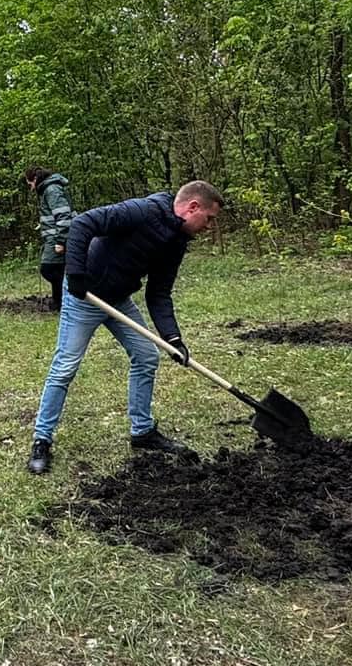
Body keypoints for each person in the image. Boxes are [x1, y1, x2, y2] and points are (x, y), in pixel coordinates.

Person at [27, 181, 224, 476]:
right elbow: (82, 224)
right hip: (84, 297)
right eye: (209, 218)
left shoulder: (177, 241)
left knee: (146, 356)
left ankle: (142, 432)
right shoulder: (142, 211)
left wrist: (173, 337)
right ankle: (42, 440)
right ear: (193, 207)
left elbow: (159, 292)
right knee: (65, 367)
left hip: (117, 300)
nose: (210, 226)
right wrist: (76, 274)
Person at [24, 167, 75, 311]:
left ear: (35, 179)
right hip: (55, 237)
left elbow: (63, 215)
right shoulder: (49, 189)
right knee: (57, 270)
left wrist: (60, 241)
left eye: (30, 184)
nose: (32, 189)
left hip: (58, 237)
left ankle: (66, 301)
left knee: (49, 269)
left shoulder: (52, 190)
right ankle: (59, 303)